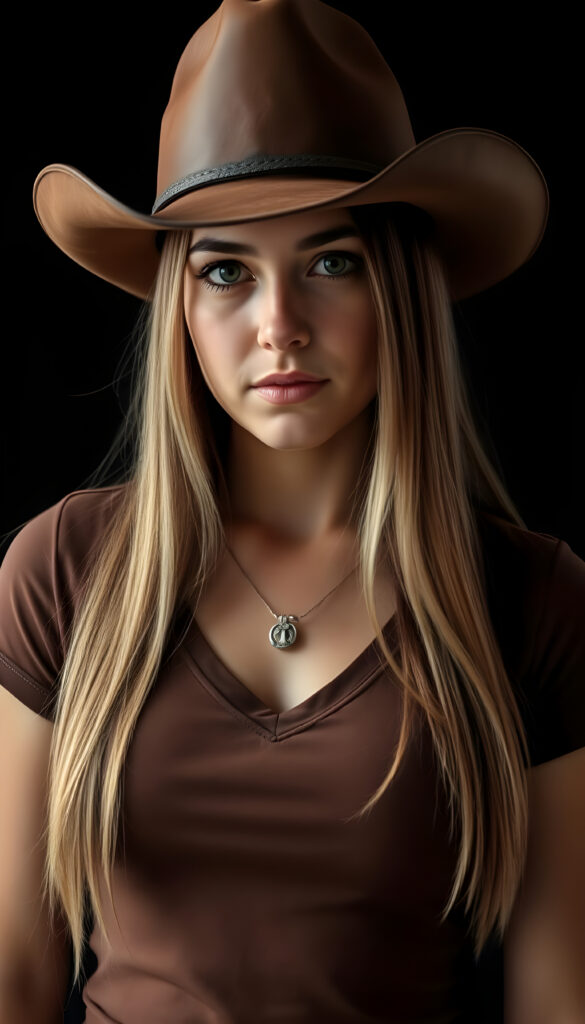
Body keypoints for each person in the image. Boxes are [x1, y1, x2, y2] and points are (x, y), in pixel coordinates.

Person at [1, 1, 584, 1022]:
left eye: (331, 261)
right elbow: (14, 968)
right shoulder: (65, 566)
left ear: (399, 285)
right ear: (179, 303)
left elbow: (556, 997)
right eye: (226, 270)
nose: (279, 328)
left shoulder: (532, 600)